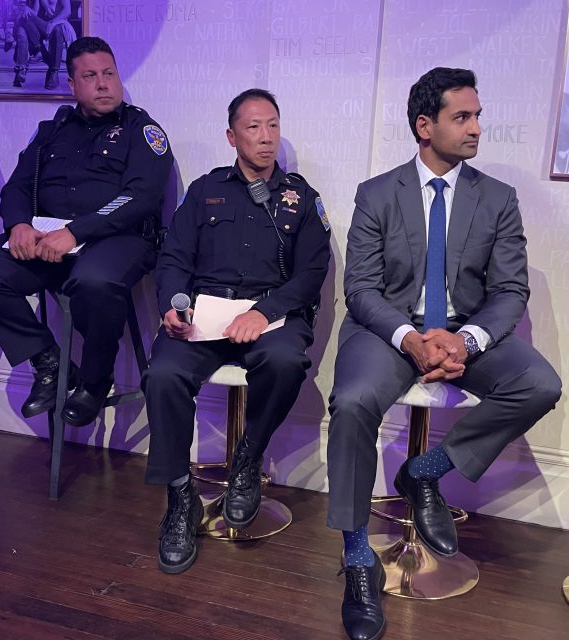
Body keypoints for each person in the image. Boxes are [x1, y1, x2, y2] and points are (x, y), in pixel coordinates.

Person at [326, 67, 562, 640]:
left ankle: (425, 470)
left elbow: (509, 291)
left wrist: (467, 339)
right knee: (354, 401)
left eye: (478, 115)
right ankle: (358, 559)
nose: (477, 127)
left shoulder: (498, 199)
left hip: (466, 333)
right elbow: (361, 289)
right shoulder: (377, 193)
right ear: (424, 126)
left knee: (540, 384)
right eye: (464, 116)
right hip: (389, 332)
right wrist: (411, 338)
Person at [143, 89, 331, 574]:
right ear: (232, 136)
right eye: (253, 127)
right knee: (163, 372)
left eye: (273, 125)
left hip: (271, 317)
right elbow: (174, 259)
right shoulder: (205, 191)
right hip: (205, 313)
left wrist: (265, 312)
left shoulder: (300, 199)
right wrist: (173, 307)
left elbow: (312, 273)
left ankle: (247, 459)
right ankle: (180, 496)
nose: (266, 137)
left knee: (288, 361)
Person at [0, 36, 172, 428]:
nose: (104, 84)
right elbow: (18, 186)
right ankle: (49, 362)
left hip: (119, 238)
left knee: (94, 280)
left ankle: (94, 382)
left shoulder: (143, 130)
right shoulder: (52, 130)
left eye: (109, 74)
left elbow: (140, 198)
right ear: (72, 85)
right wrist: (18, 224)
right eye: (90, 76)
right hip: (48, 237)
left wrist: (76, 232)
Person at [11, 0, 74, 89]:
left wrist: (52, 23)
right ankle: (39, 50)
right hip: (44, 25)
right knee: (26, 18)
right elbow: (35, 13)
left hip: (60, 23)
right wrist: (27, 9)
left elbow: (67, 11)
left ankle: (54, 72)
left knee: (57, 30)